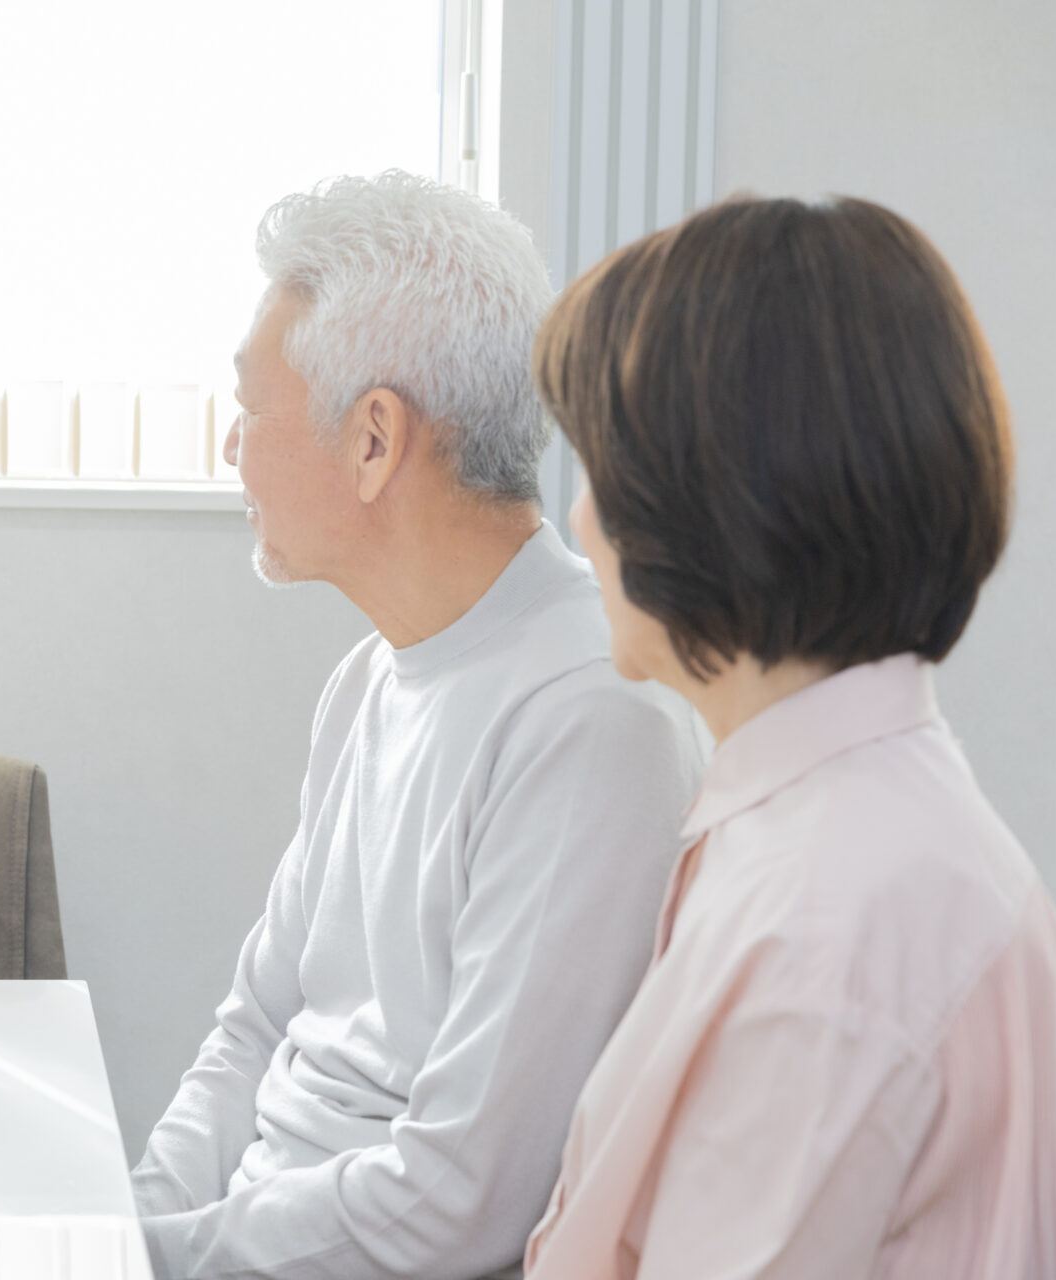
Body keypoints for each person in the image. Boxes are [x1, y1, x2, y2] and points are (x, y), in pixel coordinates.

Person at [128, 171, 708, 1279]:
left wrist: (146, 1257)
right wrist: (129, 1225)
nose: (231, 448)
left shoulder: (593, 715)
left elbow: (463, 1201)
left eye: (251, 408)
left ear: (374, 439)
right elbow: (256, 1025)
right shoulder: (368, 680)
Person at [523, 196, 1056, 1277]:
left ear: (713, 498)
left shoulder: (827, 931)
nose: (578, 517)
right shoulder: (849, 824)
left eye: (600, 470)